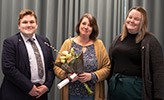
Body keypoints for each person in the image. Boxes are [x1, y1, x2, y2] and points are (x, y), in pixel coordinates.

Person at [107, 6, 164, 100]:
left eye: (137, 19)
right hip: (115, 87)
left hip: (136, 90)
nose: (132, 21)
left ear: (143, 23)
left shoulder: (150, 41)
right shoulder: (118, 39)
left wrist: (159, 97)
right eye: (130, 17)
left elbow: (159, 71)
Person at [0, 9, 55, 100]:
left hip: (41, 94)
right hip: (17, 94)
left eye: (32, 22)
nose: (29, 25)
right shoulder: (10, 42)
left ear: (36, 25)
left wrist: (47, 86)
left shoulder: (44, 41)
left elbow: (51, 66)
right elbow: (8, 68)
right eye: (25, 22)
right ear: (19, 25)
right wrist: (29, 87)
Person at [54, 13, 110, 100]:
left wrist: (92, 76)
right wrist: (67, 76)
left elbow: (107, 68)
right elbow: (57, 67)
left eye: (90, 25)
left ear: (93, 29)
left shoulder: (99, 44)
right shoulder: (68, 43)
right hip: (71, 94)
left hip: (92, 95)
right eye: (84, 23)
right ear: (79, 25)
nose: (86, 27)